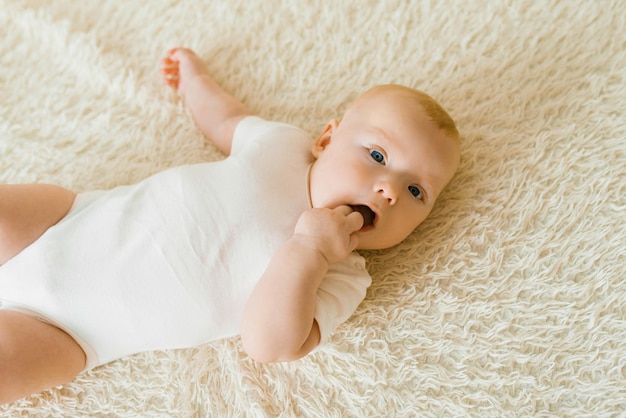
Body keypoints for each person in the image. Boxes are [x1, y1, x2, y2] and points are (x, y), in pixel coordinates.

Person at [0, 47, 460, 404]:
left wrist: (309, 251)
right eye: (378, 156)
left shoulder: (342, 276)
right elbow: (227, 118)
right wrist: (194, 81)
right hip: (61, 222)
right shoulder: (282, 146)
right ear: (325, 140)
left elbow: (270, 344)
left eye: (417, 191)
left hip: (70, 331)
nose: (390, 191)